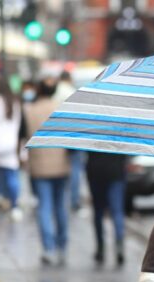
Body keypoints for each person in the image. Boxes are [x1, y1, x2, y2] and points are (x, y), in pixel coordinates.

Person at [20, 78, 71, 266]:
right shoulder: (61, 108)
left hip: (39, 166)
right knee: (60, 206)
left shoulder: (29, 110)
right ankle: (62, 246)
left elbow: (23, 136)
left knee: (44, 206)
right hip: (61, 165)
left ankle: (48, 248)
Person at [85, 151, 128, 266]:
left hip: (96, 172)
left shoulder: (92, 132)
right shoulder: (121, 132)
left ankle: (100, 248)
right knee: (117, 211)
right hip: (116, 172)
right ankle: (119, 247)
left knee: (98, 212)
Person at [0, 79, 23, 221]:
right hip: (11, 142)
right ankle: (13, 204)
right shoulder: (15, 102)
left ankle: (1, 197)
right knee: (11, 174)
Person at [54, 70, 84, 211]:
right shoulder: (72, 92)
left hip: (58, 136)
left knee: (60, 169)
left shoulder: (55, 94)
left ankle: (61, 199)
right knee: (75, 170)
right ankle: (74, 200)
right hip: (74, 136)